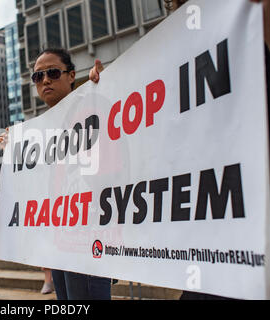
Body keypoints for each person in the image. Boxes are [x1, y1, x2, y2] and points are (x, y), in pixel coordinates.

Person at [89, 0, 269, 301]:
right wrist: (111, 88)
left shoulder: (250, 20)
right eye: (173, 3)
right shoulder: (179, 58)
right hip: (215, 245)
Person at [0, 48, 112, 300]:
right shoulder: (40, 129)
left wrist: (104, 85)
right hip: (58, 238)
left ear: (72, 75)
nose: (45, 80)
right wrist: (14, 152)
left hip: (87, 236)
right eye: (38, 77)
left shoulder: (90, 103)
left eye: (52, 72)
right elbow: (36, 182)